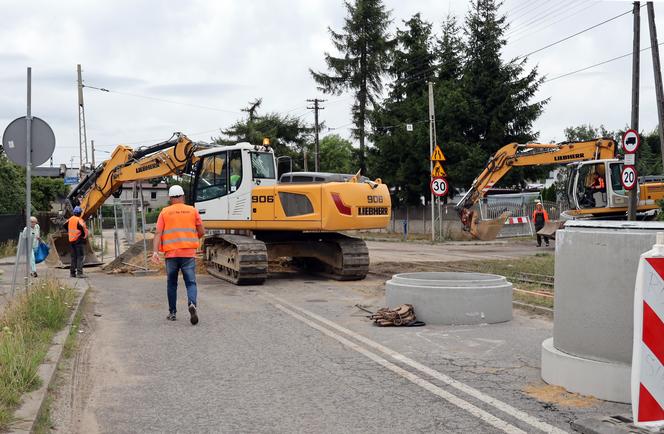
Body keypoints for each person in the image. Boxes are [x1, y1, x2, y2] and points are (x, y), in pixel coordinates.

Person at [152, 185, 205, 325]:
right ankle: (192, 304)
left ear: (170, 198)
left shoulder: (164, 212)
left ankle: (172, 313)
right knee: (191, 283)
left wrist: (155, 252)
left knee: (172, 284)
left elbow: (158, 233)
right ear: (183, 196)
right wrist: (194, 237)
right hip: (188, 253)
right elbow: (201, 231)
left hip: (171, 255)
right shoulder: (192, 210)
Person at [65, 206, 88, 278]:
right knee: (80, 256)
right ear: (80, 213)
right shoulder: (79, 220)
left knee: (73, 257)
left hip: (71, 240)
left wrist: (70, 233)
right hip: (78, 240)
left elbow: (65, 225)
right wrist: (83, 237)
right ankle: (79, 273)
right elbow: (84, 230)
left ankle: (72, 273)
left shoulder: (70, 219)